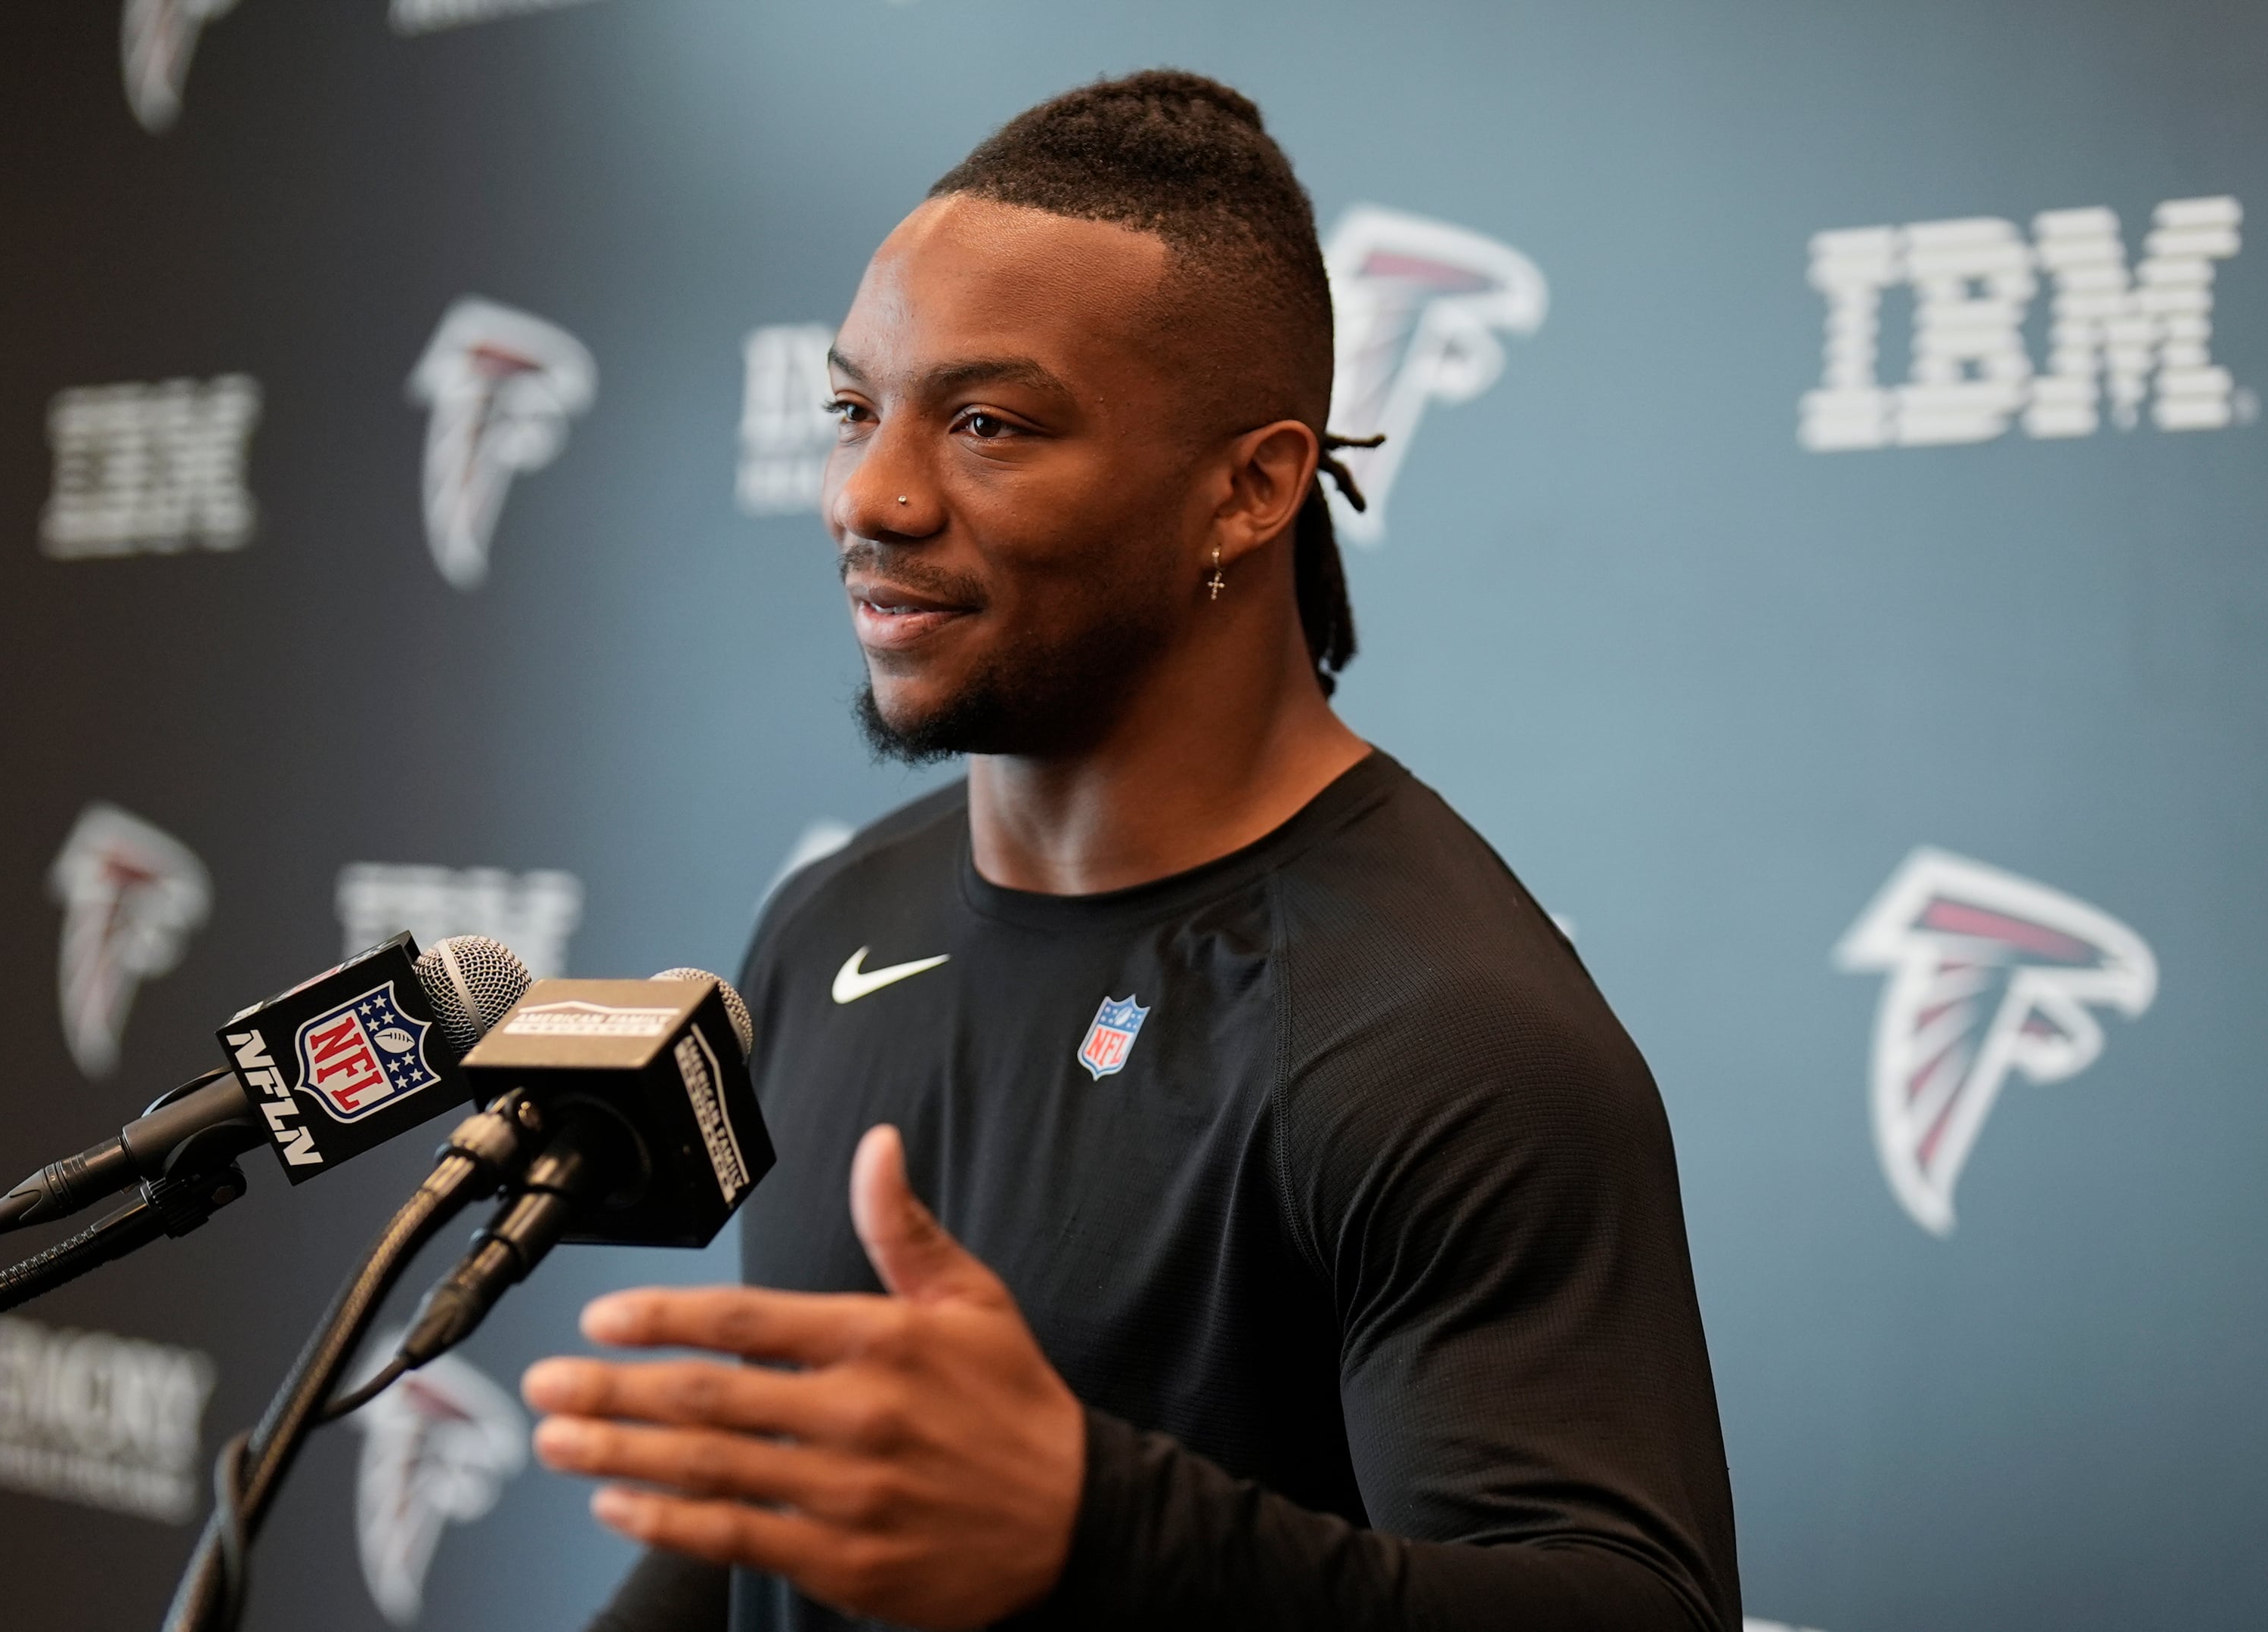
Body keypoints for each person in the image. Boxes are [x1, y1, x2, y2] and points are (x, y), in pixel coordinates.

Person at [521, 70, 1738, 1632]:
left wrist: (1097, 1530)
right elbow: (797, 1514)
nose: (869, 496)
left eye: (984, 425)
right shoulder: (832, 923)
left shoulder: (1437, 1035)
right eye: (853, 409)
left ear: (1251, 489)